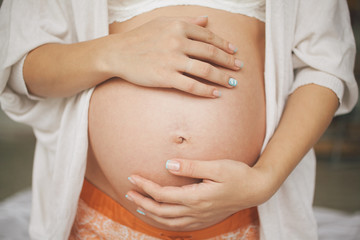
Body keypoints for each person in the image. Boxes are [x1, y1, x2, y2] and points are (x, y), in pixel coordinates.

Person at [0, 0, 358, 239]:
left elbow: (325, 66)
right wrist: (112, 53)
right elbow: (20, 70)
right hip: (105, 212)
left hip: (244, 213)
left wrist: (264, 181)